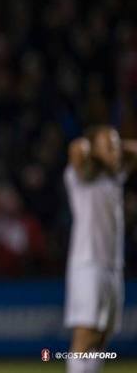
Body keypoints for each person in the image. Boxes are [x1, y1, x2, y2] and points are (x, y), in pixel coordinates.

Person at [64, 126, 137, 373]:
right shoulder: (79, 177)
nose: (116, 151)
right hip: (88, 264)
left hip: (113, 266)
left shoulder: (114, 177)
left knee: (102, 335)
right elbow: (76, 149)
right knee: (85, 332)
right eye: (109, 146)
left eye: (116, 146)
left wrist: (114, 144)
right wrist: (93, 147)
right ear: (94, 150)